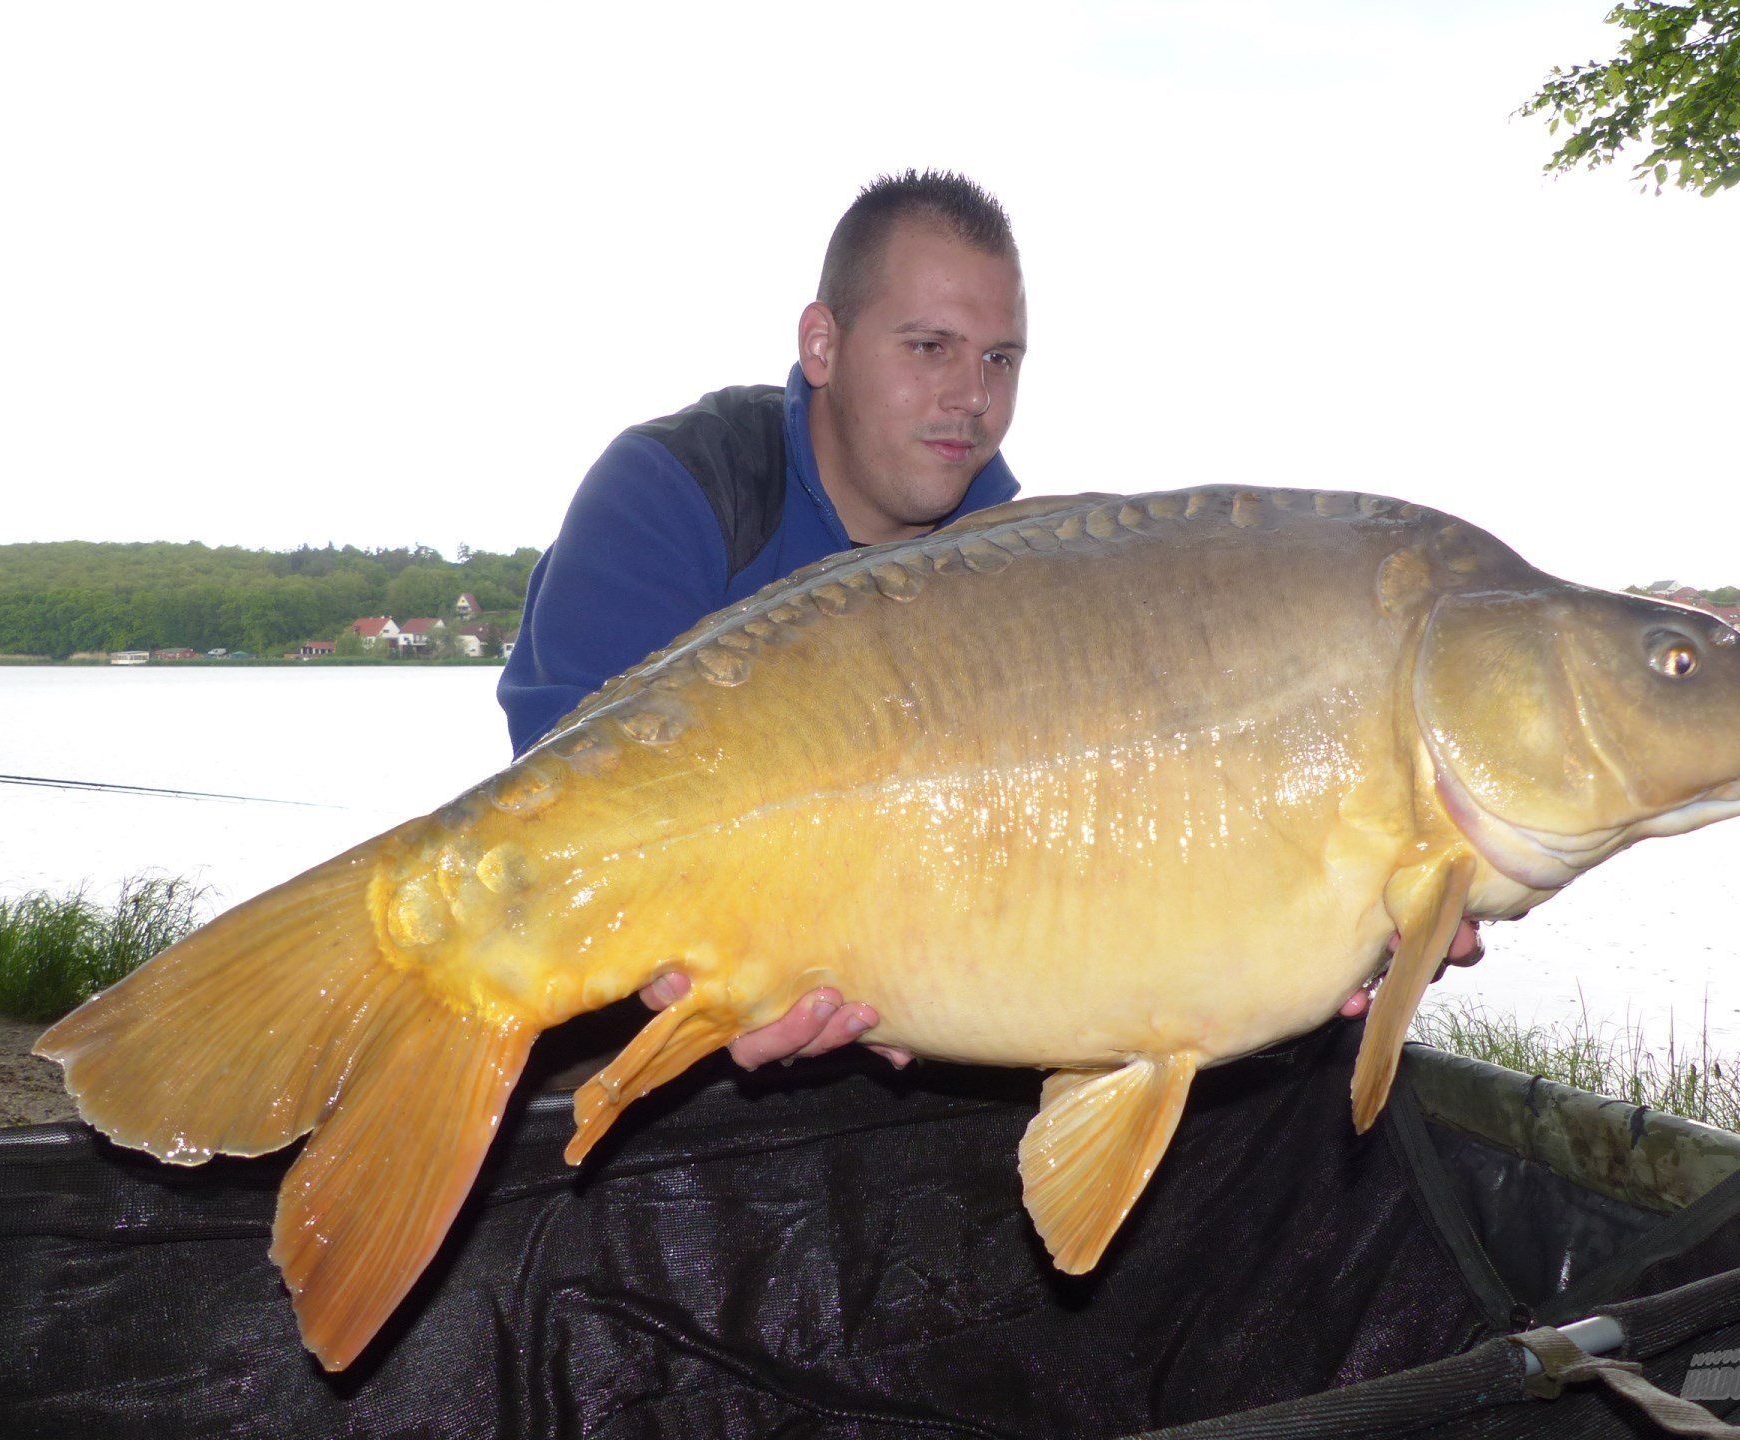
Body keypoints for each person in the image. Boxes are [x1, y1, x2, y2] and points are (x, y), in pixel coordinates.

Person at [500, 170, 1479, 1075]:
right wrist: (687, 983)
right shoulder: (682, 489)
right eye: (929, 348)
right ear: (823, 344)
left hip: (887, 1052)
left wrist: (1324, 923)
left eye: (1000, 359)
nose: (972, 398)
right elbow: (554, 808)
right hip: (603, 1007)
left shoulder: (1035, 571)